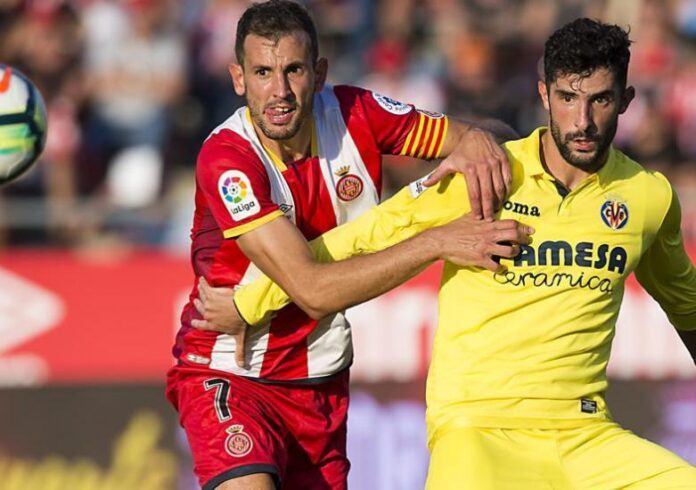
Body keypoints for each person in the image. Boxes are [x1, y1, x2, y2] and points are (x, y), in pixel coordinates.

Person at [195, 18, 696, 489]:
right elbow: (368, 234)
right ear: (544, 94)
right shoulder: (487, 173)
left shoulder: (647, 197)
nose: (581, 121)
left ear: (625, 100)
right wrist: (248, 300)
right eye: (568, 98)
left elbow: (687, 305)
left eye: (600, 100)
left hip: (585, 433)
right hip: (478, 429)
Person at [166, 1, 532, 489]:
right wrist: (438, 241)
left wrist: (483, 145)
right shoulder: (228, 160)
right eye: (262, 72)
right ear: (238, 78)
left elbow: (479, 140)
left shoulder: (358, 112)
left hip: (320, 382)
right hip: (233, 374)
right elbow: (313, 290)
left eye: (294, 70)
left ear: (318, 74)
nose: (279, 91)